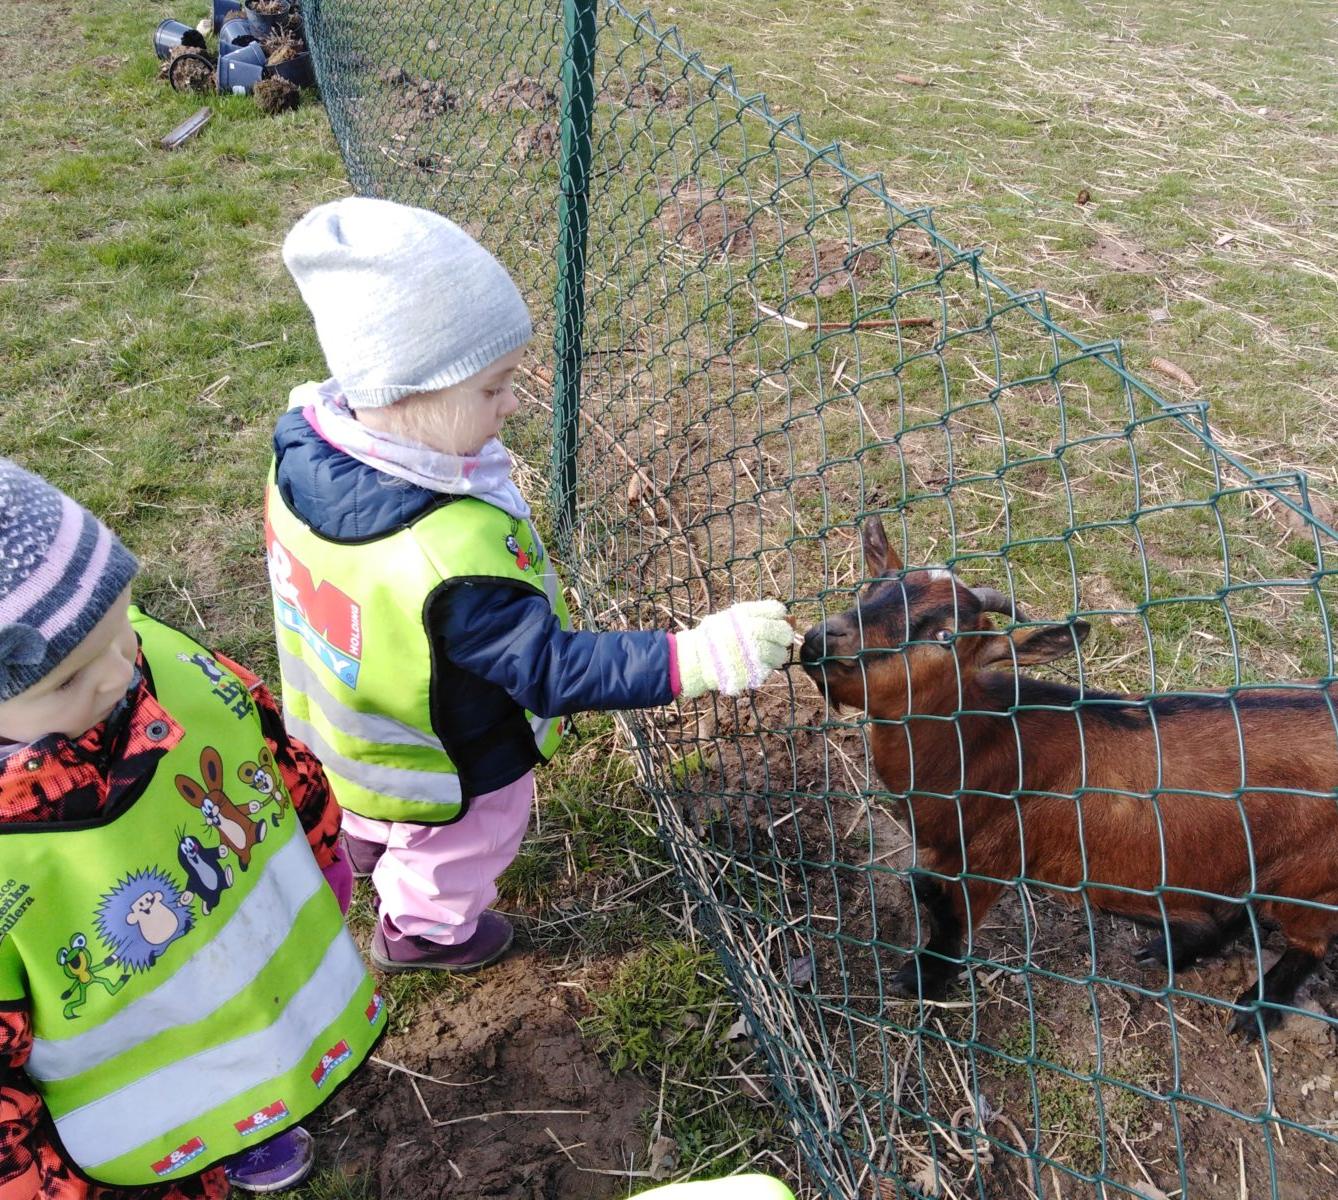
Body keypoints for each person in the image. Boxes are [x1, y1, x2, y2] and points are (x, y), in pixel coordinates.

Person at [269, 196, 793, 973]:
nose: (514, 403)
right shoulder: (449, 558)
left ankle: (364, 838)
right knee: (467, 838)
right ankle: (422, 930)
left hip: (342, 715)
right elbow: (547, 668)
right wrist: (695, 657)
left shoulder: (306, 451)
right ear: (407, 391)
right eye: (493, 388)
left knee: (373, 798)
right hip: (452, 756)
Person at [0, 458, 384, 1198]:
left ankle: (252, 1127)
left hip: (251, 996)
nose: (117, 674)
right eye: (68, 679)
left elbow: (268, 749)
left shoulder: (154, 661)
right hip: (125, 1142)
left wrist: (321, 846)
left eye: (121, 625)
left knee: (251, 1064)